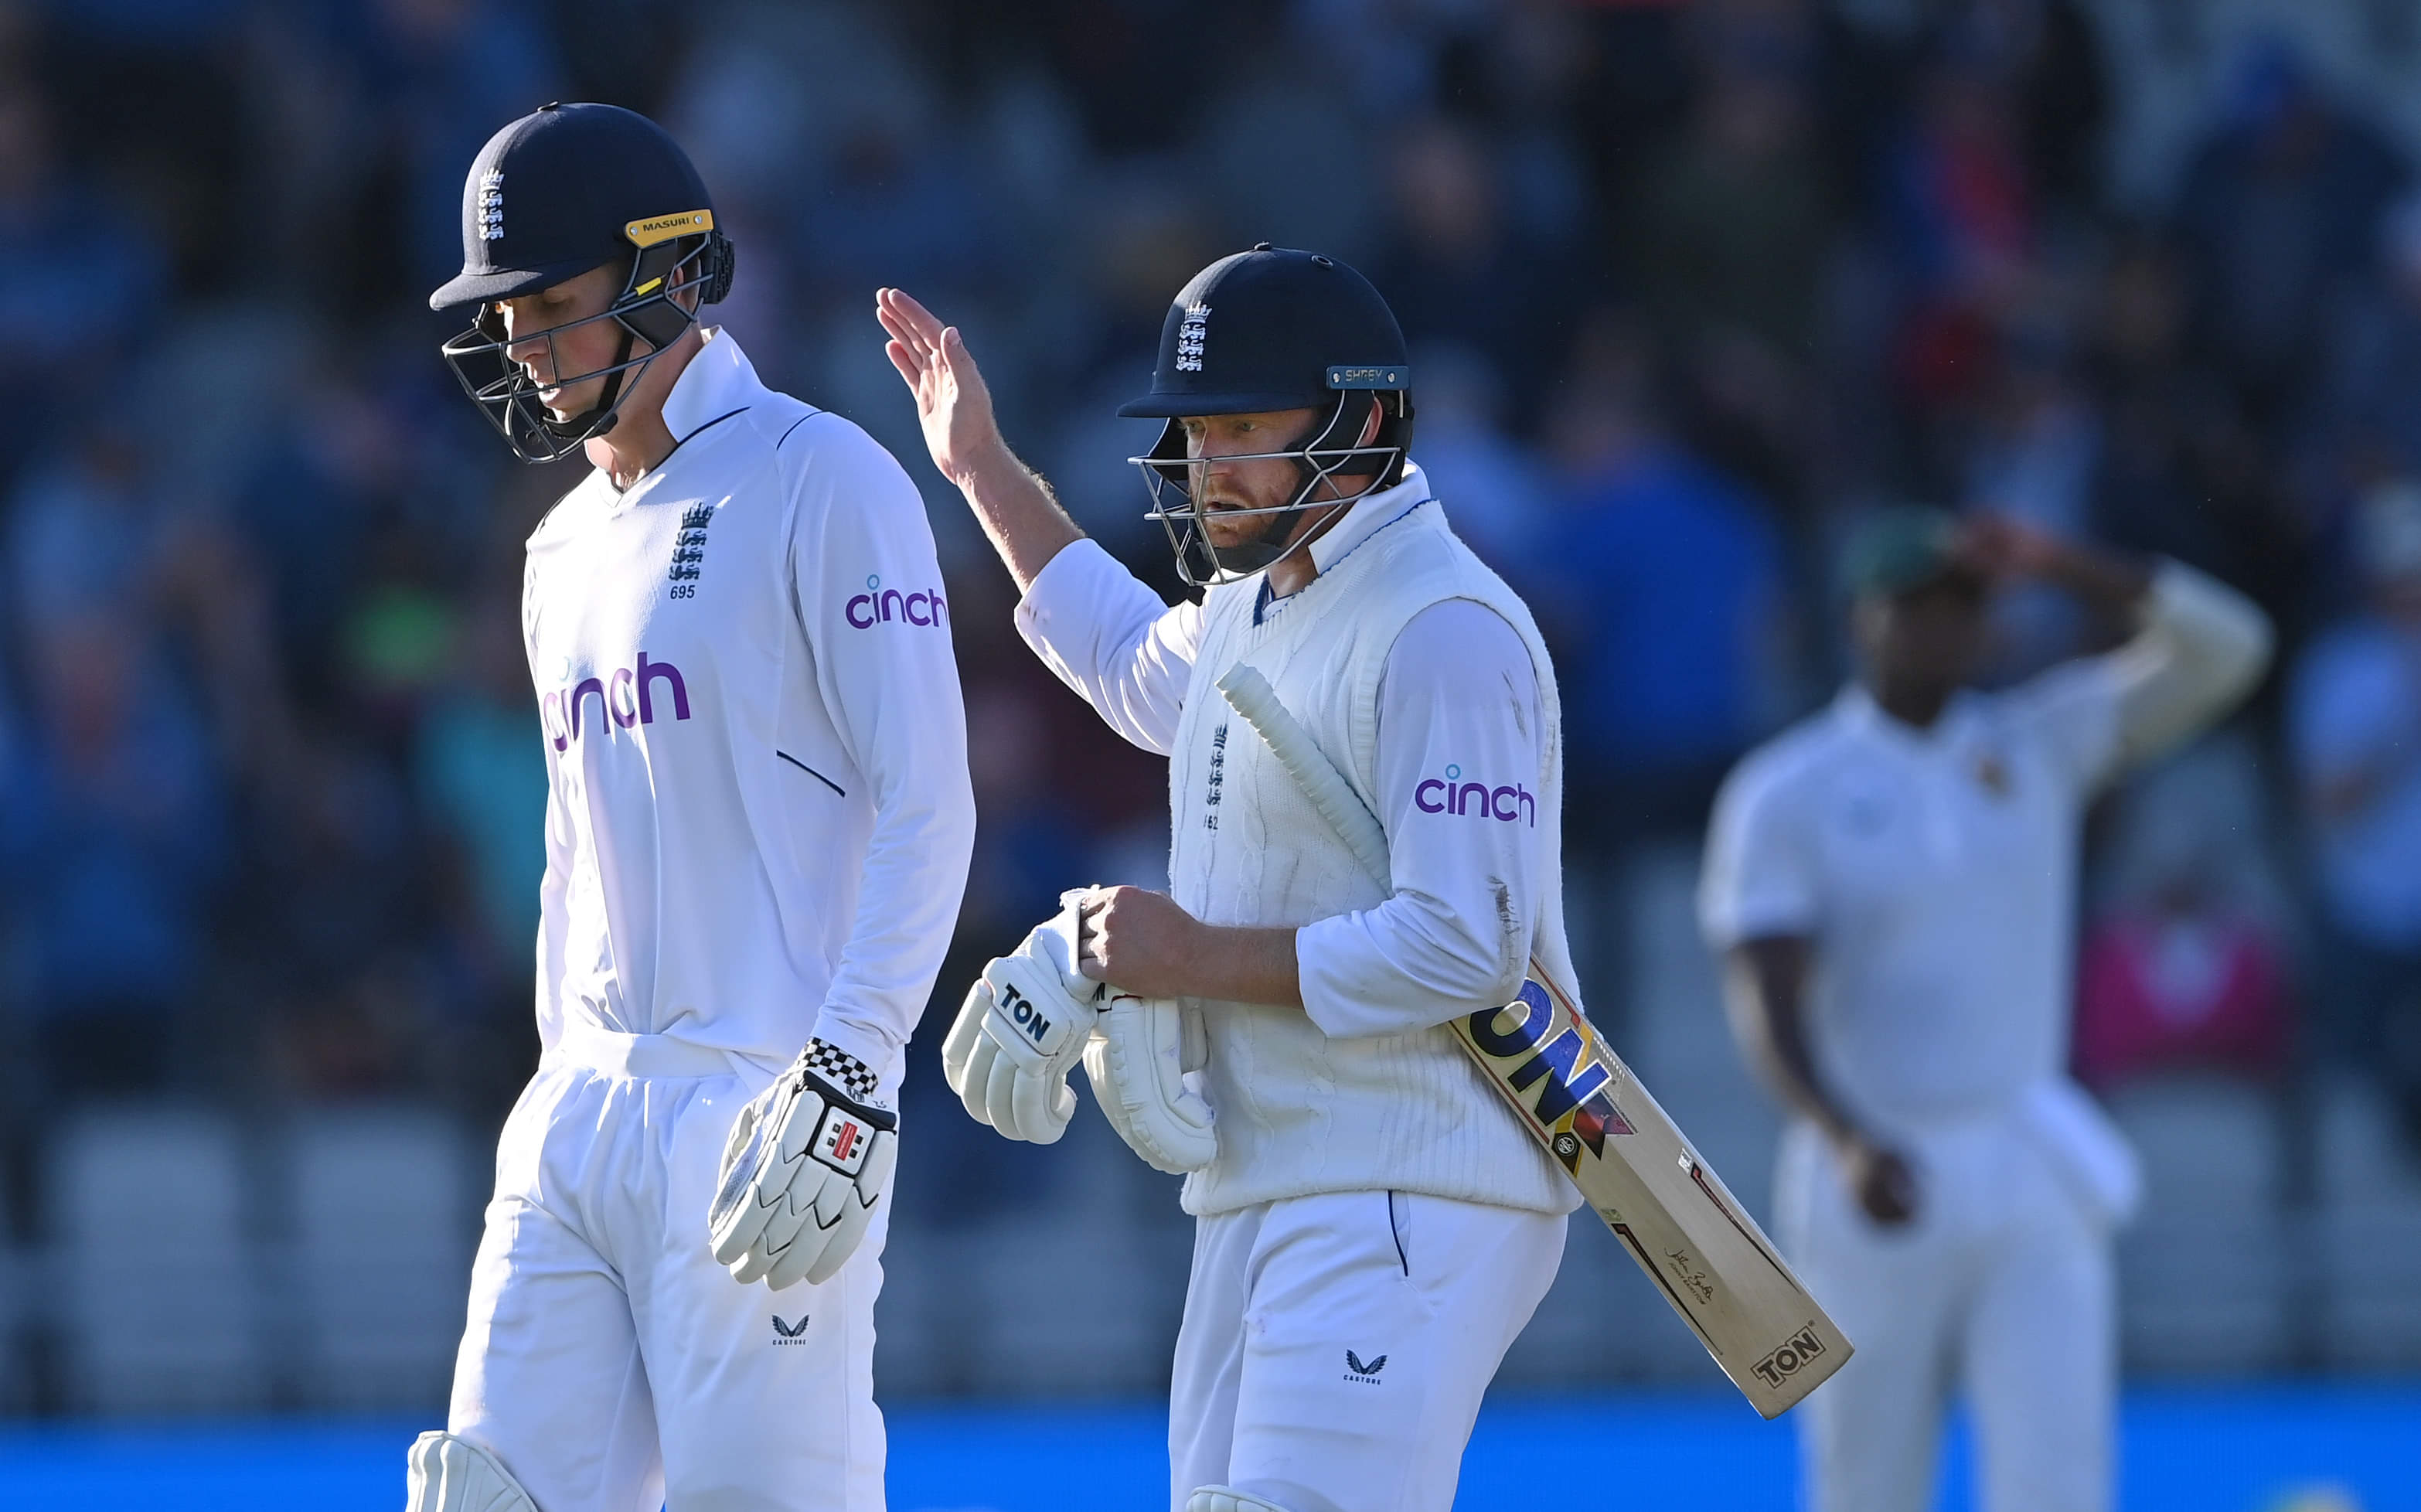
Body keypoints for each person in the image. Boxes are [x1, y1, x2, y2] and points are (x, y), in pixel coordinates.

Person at [877, 248, 1577, 1512]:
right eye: (1198, 434)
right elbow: (1124, 650)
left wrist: (1188, 959)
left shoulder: (1445, 629)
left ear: (1359, 422)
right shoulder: (1257, 602)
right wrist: (978, 462)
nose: (1209, 468)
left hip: (1412, 1172)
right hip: (1269, 1172)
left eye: (1244, 428)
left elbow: (1467, 946)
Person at [406, 103, 975, 1512]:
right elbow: (570, 862)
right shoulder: (555, 547)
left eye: (555, 307)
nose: (526, 350)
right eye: (507, 315)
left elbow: (930, 804)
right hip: (579, 1112)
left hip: (766, 1098)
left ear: (666, 278)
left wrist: (849, 1077)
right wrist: (553, 1090)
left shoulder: (822, 475)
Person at [1699, 509, 2271, 1512]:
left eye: (1961, 608)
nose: (1938, 630)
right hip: (1872, 1169)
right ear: (1857, 620)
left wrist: (2064, 563)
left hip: (2025, 1154)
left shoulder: (2040, 742)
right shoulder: (1786, 790)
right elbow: (1764, 997)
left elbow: (2233, 651)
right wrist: (1842, 1137)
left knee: (2058, 1481)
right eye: (1912, 607)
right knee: (1866, 1485)